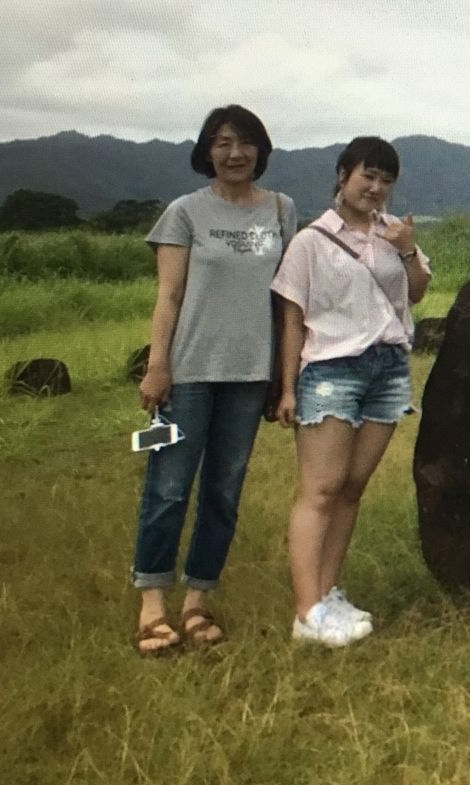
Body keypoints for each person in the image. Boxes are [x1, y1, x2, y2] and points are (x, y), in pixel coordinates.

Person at [132, 104, 297, 656]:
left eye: (244, 142)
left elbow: (285, 303)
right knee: (168, 486)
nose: (234, 153)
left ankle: (198, 600)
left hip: (249, 376)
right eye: (222, 142)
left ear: (260, 150)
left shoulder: (281, 210)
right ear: (207, 151)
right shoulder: (184, 212)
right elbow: (170, 295)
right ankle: (152, 603)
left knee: (224, 492)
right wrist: (158, 366)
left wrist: (283, 377)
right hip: (189, 374)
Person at [271, 136, 430, 647]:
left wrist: (407, 250)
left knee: (351, 489)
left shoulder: (395, 233)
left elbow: (417, 293)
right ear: (343, 175)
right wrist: (288, 388)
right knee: (321, 489)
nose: (376, 188)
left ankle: (327, 593)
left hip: (388, 368)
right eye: (368, 175)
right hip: (330, 368)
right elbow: (292, 319)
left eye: (386, 180)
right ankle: (307, 612)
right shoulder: (311, 241)